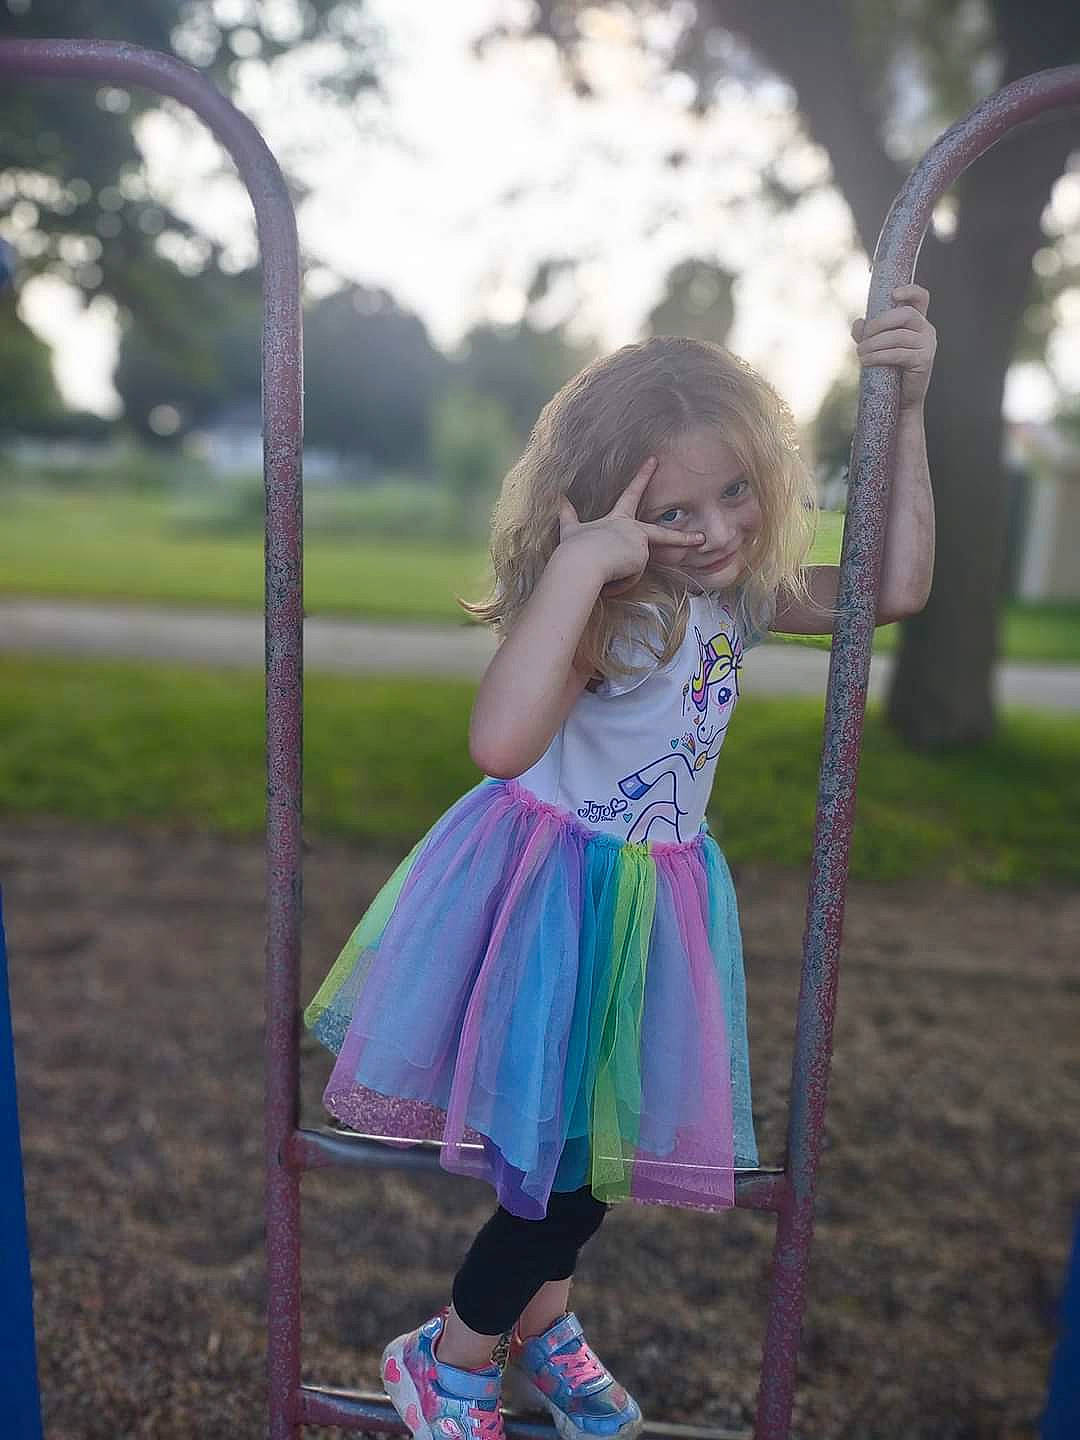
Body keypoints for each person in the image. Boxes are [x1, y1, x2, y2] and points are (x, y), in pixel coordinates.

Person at [305, 285, 937, 1440]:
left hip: (652, 902)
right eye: (674, 507)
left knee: (585, 1158)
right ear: (603, 507)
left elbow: (888, 589)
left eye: (735, 491)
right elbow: (500, 745)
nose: (715, 529)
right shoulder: (615, 611)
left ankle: (540, 1327)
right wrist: (582, 565)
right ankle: (447, 1358)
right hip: (551, 900)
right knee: (561, 1180)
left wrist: (912, 405)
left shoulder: (733, 605)